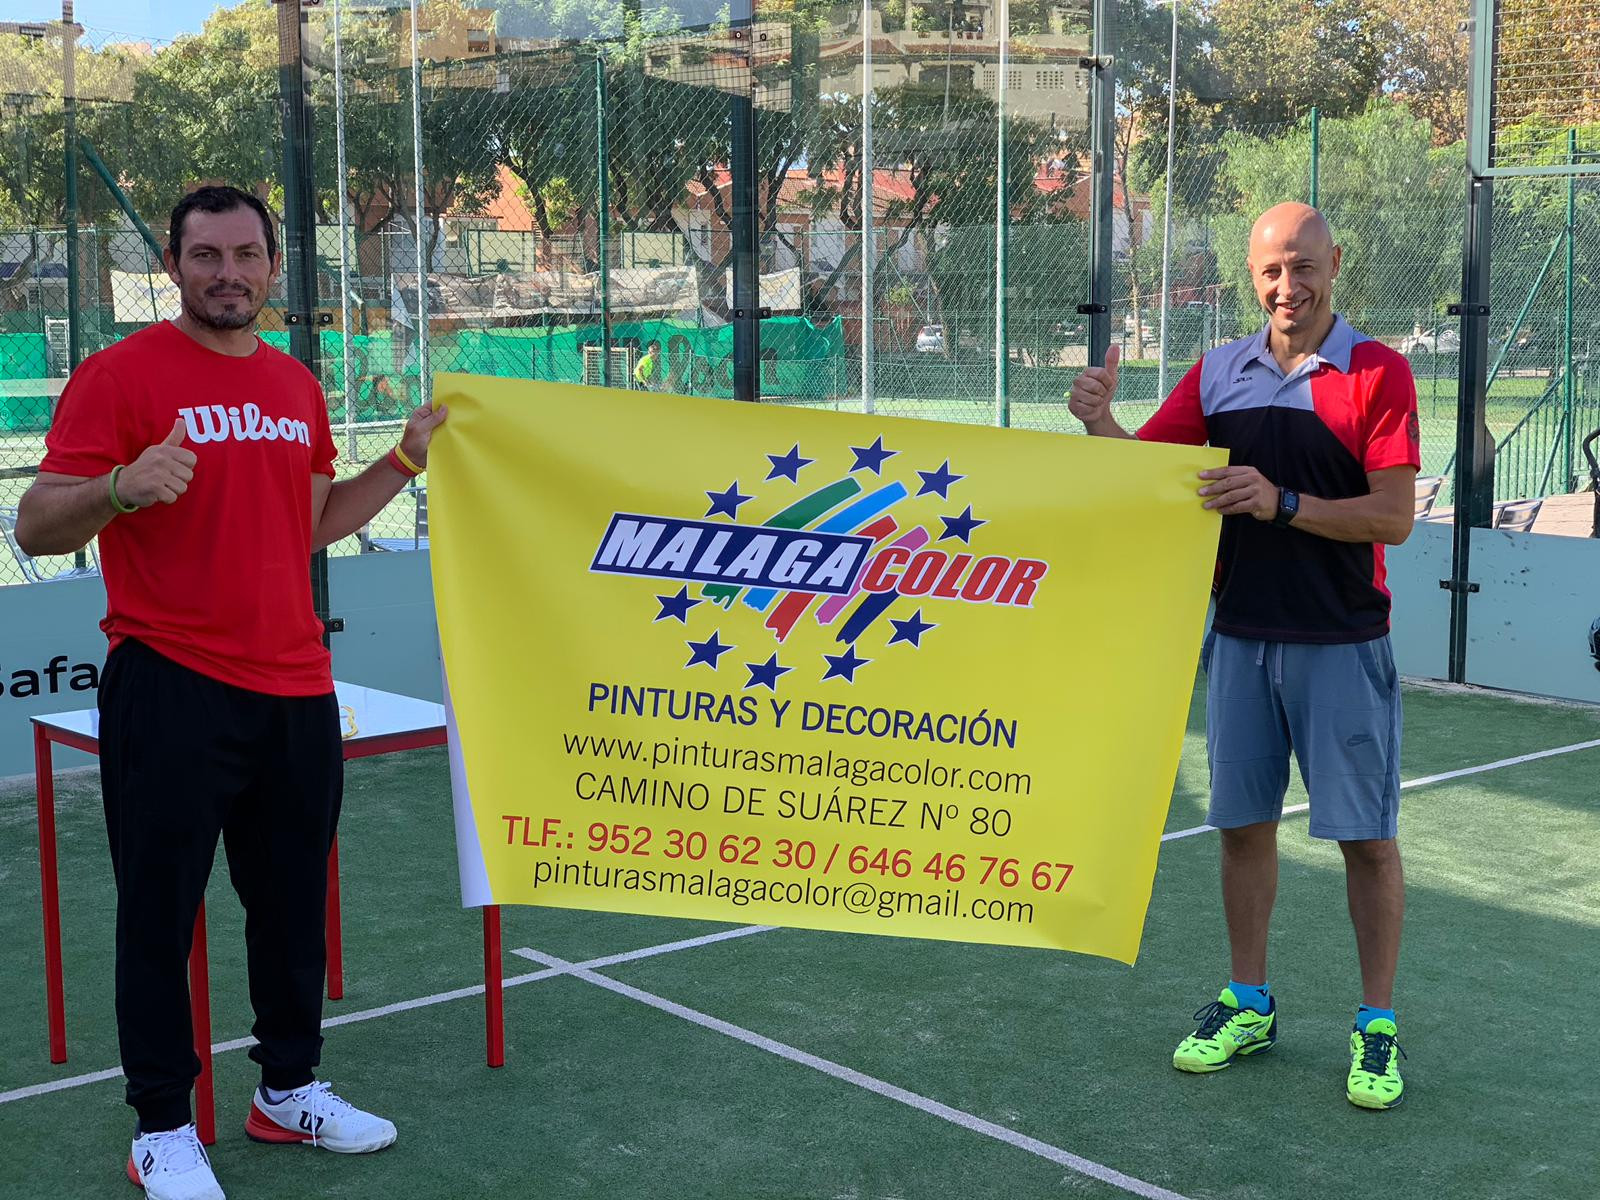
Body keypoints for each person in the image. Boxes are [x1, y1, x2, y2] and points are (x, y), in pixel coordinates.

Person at [15, 185, 447, 1199]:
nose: (228, 274)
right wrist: (119, 487)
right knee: (159, 917)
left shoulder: (296, 385)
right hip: (170, 681)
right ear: (172, 266)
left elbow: (309, 525)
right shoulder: (119, 376)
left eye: (247, 254)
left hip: (294, 686)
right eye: (205, 255)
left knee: (292, 909)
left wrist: (403, 461)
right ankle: (162, 1127)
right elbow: (34, 523)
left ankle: (286, 1091)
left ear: (273, 266)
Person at [1067, 202, 1419, 1110]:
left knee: (1367, 841)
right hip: (1239, 639)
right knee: (1242, 828)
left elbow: (1393, 518)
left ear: (1334, 264)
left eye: (1303, 266)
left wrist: (1281, 503)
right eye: (1271, 270)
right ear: (1250, 276)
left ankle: (1377, 1024)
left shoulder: (1378, 371)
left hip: (1343, 641)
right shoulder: (1218, 371)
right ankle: (1249, 1002)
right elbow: (1146, 480)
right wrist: (1100, 423)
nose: (1287, 286)